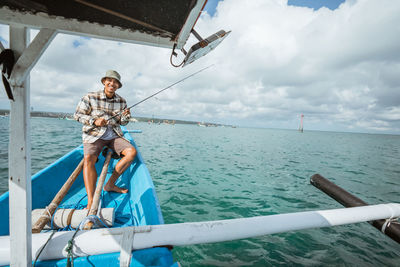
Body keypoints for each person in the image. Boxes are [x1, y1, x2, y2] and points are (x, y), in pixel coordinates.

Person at [74, 70, 137, 209]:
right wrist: (94, 121)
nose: (112, 84)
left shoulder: (122, 101)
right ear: (104, 81)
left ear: (118, 86)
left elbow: (123, 123)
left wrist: (126, 116)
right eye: (109, 80)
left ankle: (110, 184)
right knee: (88, 158)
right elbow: (78, 115)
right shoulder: (90, 97)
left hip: (114, 134)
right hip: (94, 134)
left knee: (132, 153)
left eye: (115, 82)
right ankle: (91, 200)